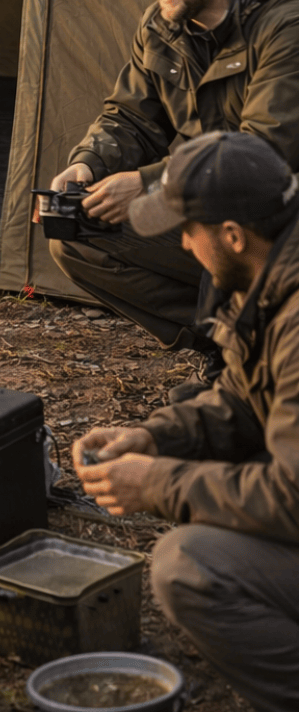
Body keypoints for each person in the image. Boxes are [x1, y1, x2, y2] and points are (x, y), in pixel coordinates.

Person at [74, 130, 299, 712]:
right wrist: (152, 436)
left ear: (232, 234)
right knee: (203, 437)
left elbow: (293, 496)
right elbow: (243, 399)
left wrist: (157, 484)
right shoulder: (271, 271)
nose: (180, 242)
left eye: (187, 229)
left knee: (190, 565)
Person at [43, 0, 299, 367]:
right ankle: (228, 351)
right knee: (77, 234)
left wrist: (146, 182)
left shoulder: (285, 25)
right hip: (208, 204)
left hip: (279, 213)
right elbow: (131, 116)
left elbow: (263, 151)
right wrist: (88, 164)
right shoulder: (164, 26)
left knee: (226, 229)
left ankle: (267, 348)